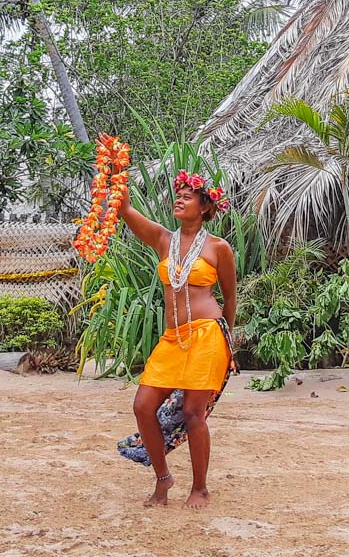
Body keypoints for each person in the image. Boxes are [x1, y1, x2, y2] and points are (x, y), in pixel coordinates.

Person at [118, 168, 237, 510]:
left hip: (208, 336)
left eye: (188, 196)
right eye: (178, 195)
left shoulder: (219, 248)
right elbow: (125, 208)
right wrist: (114, 169)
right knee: (142, 406)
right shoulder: (162, 240)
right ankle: (163, 478)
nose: (179, 199)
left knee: (192, 412)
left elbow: (230, 298)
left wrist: (228, 346)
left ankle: (200, 488)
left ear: (204, 207)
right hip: (173, 338)